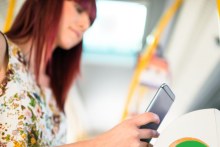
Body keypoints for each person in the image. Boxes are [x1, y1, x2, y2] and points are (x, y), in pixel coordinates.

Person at [0, 0, 160, 146]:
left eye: (90, 21)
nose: (85, 25)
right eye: (78, 9)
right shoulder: (3, 50)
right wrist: (104, 142)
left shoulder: (54, 90)